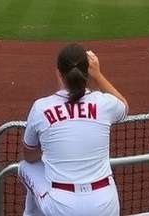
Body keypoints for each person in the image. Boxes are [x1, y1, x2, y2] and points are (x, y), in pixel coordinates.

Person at [19, 44, 127, 216]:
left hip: (61, 207)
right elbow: (123, 106)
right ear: (87, 72)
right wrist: (98, 75)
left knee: (25, 167)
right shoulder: (104, 103)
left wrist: (53, 149)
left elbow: (29, 156)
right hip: (106, 204)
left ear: (58, 72)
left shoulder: (41, 107)